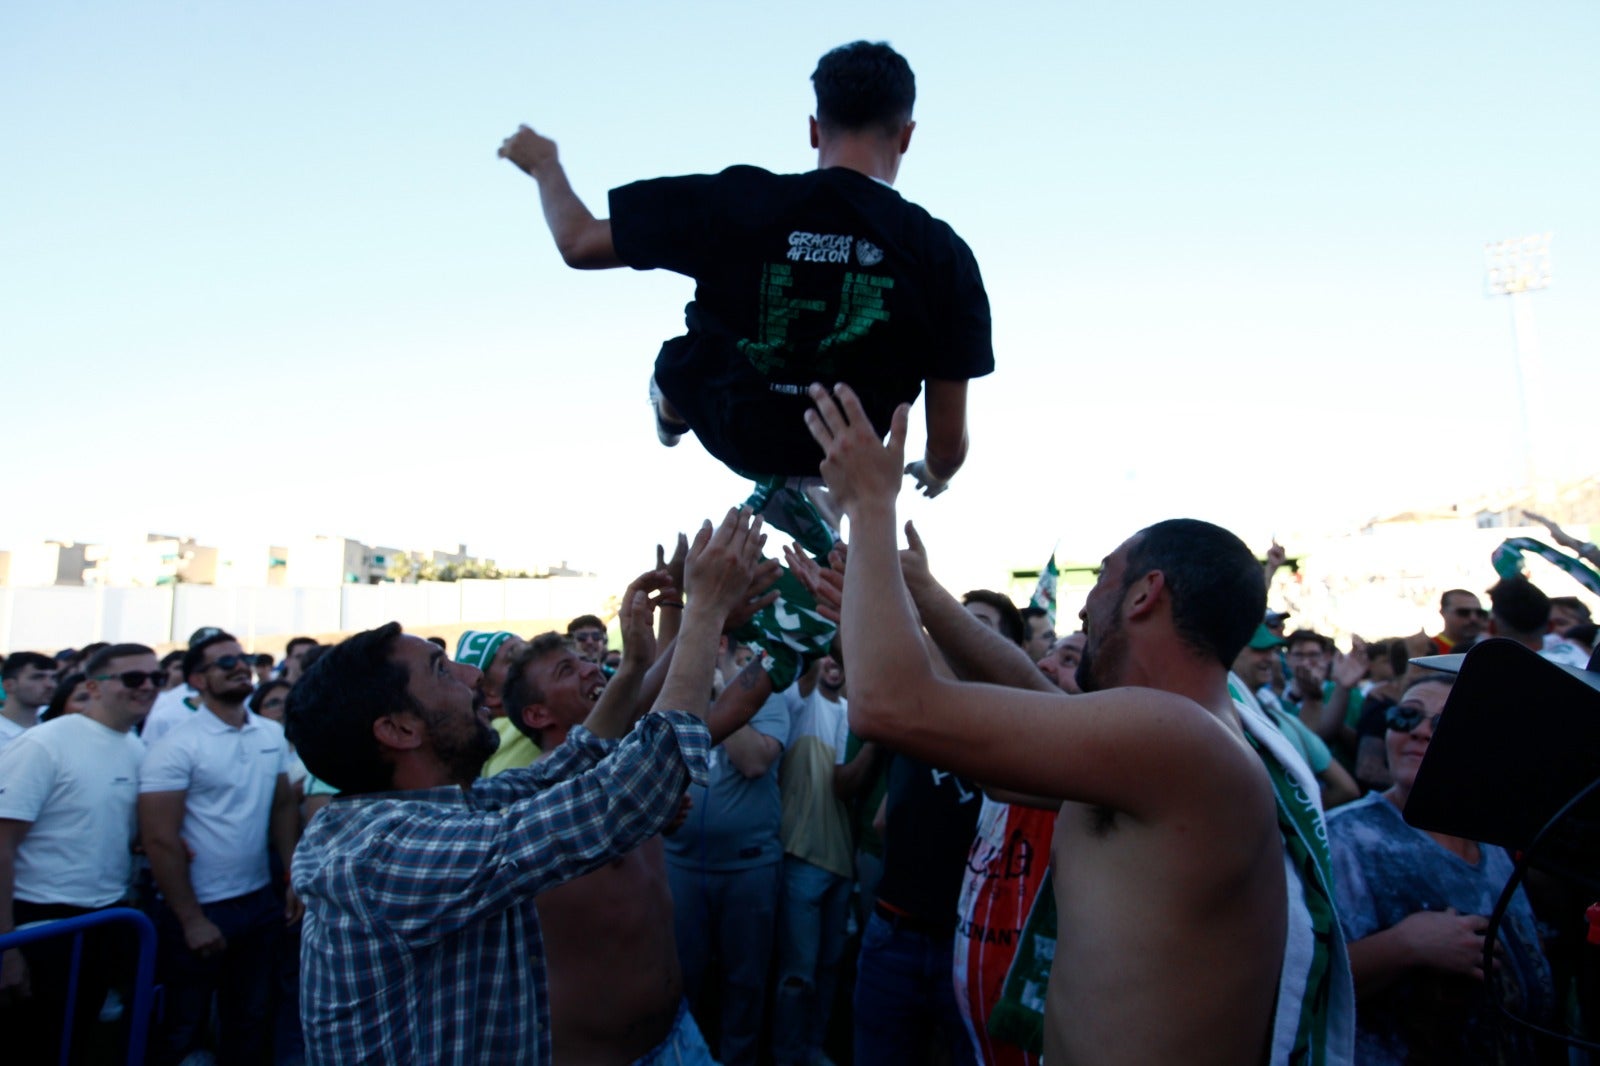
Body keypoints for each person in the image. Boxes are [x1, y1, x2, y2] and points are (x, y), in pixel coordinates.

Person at [799, 382, 1350, 1065]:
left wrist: (869, 504)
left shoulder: (1176, 737)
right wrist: (923, 593)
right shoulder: (1184, 735)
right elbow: (1039, 704)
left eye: (1105, 579)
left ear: (1146, 594)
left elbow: (887, 704)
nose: (1086, 609)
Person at [284, 509, 763, 1064]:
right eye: (442, 670)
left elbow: (573, 763)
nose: (471, 678)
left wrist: (634, 663)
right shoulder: (380, 858)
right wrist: (705, 612)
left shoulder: (447, 812)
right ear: (398, 729)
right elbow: (628, 793)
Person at [498, 40, 993, 555]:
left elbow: (577, 241)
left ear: (814, 129)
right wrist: (935, 472)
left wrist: (544, 165)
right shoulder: (942, 253)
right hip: (844, 455)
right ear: (907, 135)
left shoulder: (737, 200)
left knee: (691, 350)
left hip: (733, 426)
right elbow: (948, 443)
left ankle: (670, 410)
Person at [1328, 674, 1557, 1063]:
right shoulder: (1345, 837)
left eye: (1444, 721)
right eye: (1406, 716)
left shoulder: (1489, 834)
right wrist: (1405, 946)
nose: (1419, 731)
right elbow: (1302, 981)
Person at [138, 631, 302, 1066]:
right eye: (223, 663)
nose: (239, 666)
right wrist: (191, 918)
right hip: (198, 907)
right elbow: (159, 836)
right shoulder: (177, 744)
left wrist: (290, 875)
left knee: (250, 1020)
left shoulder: (269, 734)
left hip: (259, 904)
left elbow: (283, 808)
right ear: (197, 679)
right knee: (182, 1026)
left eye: (242, 658)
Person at [0, 643, 157, 1064]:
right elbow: (2, 844)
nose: (147, 688)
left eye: (155, 678)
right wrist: (8, 945)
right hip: (41, 923)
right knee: (34, 1044)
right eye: (133, 678)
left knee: (83, 1039)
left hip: (105, 917)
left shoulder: (135, 747)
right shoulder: (46, 744)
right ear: (93, 686)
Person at [0, 652, 58, 750]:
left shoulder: (53, 730)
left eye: (53, 678)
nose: (50, 685)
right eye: (37, 677)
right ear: (9, 685)